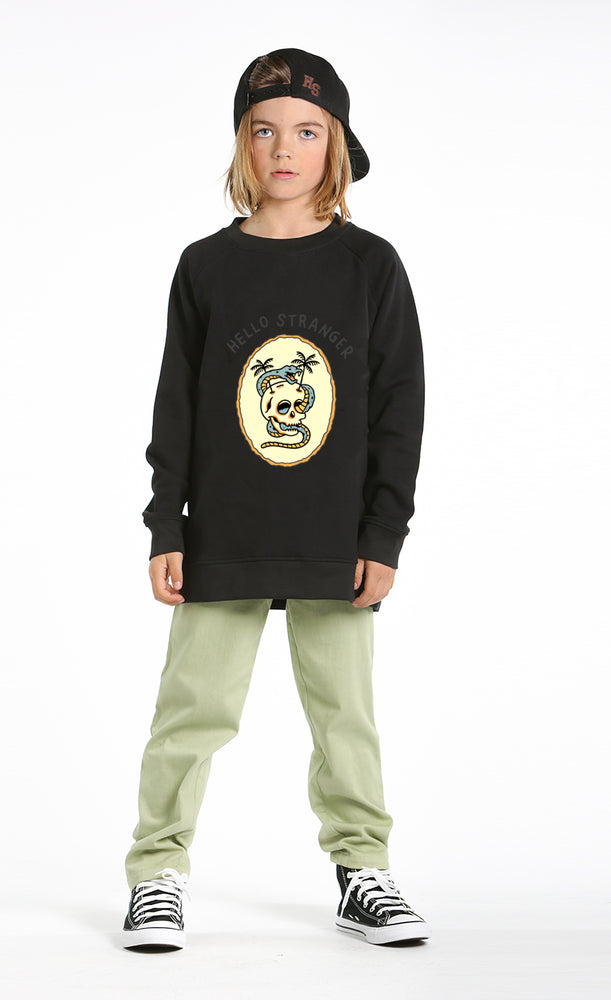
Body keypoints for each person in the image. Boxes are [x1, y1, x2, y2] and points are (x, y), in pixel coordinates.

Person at [122, 47, 427, 950]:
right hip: (224, 529)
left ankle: (362, 869)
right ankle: (157, 873)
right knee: (192, 710)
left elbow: (399, 407)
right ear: (240, 144)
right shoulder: (205, 267)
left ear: (337, 145)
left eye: (305, 131)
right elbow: (175, 405)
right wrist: (165, 523)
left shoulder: (371, 266)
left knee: (345, 715)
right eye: (263, 130)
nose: (283, 149)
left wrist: (384, 533)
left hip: (336, 535)